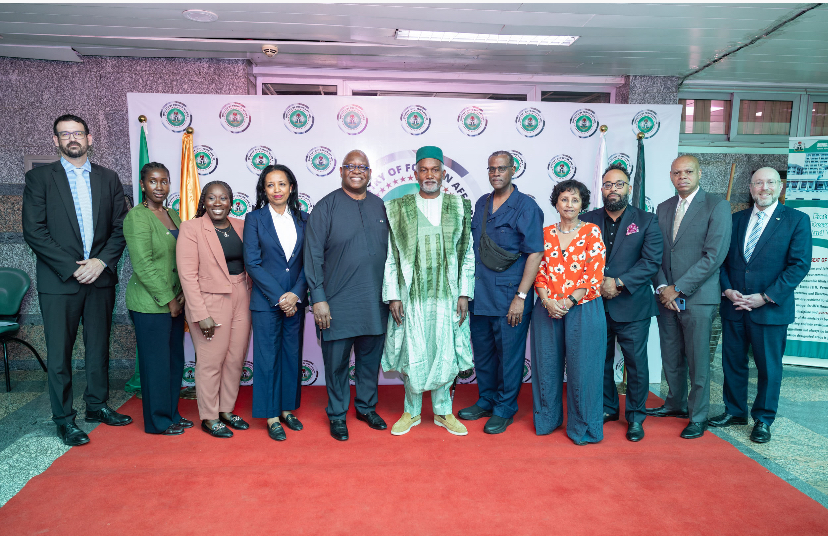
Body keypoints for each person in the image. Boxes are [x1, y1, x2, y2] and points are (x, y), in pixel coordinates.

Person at [22, 114, 131, 446]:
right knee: (60, 353)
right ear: (55, 140)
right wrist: (73, 268)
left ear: (90, 138)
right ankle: (64, 419)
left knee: (98, 347)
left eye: (78, 133)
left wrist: (100, 262)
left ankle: (96, 406)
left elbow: (120, 227)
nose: (72, 138)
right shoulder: (39, 178)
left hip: (99, 277)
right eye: (64, 134)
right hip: (60, 282)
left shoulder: (108, 178)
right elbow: (34, 232)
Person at [710, 168, 811, 443]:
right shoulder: (736, 219)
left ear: (779, 187)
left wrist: (765, 296)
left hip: (770, 309)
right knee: (733, 363)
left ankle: (763, 419)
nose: (763, 187)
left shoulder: (796, 220)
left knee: (769, 367)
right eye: (758, 183)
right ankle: (735, 411)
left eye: (769, 182)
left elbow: (799, 266)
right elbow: (721, 260)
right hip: (734, 306)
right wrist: (728, 290)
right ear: (751, 188)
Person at [381, 146, 475, 436]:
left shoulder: (459, 205)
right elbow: (391, 255)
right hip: (412, 296)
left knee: (445, 350)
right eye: (424, 169)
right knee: (413, 349)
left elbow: (467, 253)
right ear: (415, 173)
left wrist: (464, 293)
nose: (430, 175)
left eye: (435, 169)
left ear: (444, 174)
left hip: (448, 295)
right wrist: (394, 294)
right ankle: (411, 411)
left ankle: (443, 412)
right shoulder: (398, 208)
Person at [304, 150, 389, 441]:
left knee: (369, 361)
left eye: (362, 166)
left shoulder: (380, 206)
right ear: (340, 171)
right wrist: (318, 298)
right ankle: (338, 414)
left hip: (375, 302)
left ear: (369, 172)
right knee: (337, 364)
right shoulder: (325, 207)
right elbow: (312, 255)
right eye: (351, 166)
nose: (357, 171)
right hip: (336, 303)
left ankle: (366, 407)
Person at [458, 150, 543, 434]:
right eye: (491, 169)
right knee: (483, 353)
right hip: (480, 295)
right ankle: (486, 400)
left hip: (510, 297)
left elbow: (534, 254)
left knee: (509, 356)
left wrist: (521, 297)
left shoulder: (526, 207)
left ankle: (505, 408)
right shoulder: (482, 203)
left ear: (513, 170)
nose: (496, 174)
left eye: (501, 169)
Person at [648, 155, 731, 439]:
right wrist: (662, 288)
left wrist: (678, 288)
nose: (682, 176)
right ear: (670, 176)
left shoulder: (717, 206)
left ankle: (698, 416)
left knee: (697, 360)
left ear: (699, 173)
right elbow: (656, 253)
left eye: (688, 171)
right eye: (676, 172)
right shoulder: (663, 207)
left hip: (697, 297)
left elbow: (714, 256)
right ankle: (674, 403)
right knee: (671, 355)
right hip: (665, 297)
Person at [581, 164, 663, 442]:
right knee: (600, 361)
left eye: (619, 184)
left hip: (632, 304)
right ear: (601, 189)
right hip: (594, 304)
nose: (612, 189)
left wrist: (617, 282)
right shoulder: (587, 219)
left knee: (636, 364)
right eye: (607, 184)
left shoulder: (646, 220)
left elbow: (651, 262)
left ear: (628, 188)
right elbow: (580, 260)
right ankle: (607, 408)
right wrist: (599, 283)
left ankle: (636, 416)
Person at [531, 179, 607, 445]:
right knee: (546, 367)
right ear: (556, 202)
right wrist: (547, 300)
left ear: (582, 204)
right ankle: (547, 420)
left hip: (583, 308)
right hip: (546, 308)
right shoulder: (544, 233)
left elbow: (593, 274)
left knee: (584, 370)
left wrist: (568, 302)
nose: (569, 204)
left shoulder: (592, 232)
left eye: (575, 200)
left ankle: (584, 428)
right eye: (564, 199)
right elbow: (538, 271)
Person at [177, 181, 251, 438]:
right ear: (204, 201)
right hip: (209, 300)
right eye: (211, 198)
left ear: (232, 201)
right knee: (210, 361)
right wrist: (200, 314)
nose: (217, 203)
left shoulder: (242, 225)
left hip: (242, 294)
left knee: (234, 359)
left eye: (223, 198)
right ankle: (209, 416)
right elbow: (187, 276)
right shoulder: (191, 228)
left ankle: (226, 410)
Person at [124, 162, 191, 435]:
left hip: (176, 301)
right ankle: (157, 421)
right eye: (153, 181)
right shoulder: (137, 217)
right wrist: (169, 300)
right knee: (156, 364)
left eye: (164, 181)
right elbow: (143, 264)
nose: (159, 187)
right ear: (143, 185)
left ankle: (172, 414)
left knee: (174, 361)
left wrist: (182, 295)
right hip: (151, 305)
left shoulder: (173, 214)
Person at [243, 165, 308, 442]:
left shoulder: (305, 219)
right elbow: (252, 263)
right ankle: (270, 415)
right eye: (271, 185)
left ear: (291, 187)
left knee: (291, 355)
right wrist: (282, 297)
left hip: (296, 299)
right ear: (264, 190)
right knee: (268, 357)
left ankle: (286, 409)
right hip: (267, 301)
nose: (277, 190)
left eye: (282, 184)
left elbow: (310, 262)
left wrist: (296, 293)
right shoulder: (254, 219)